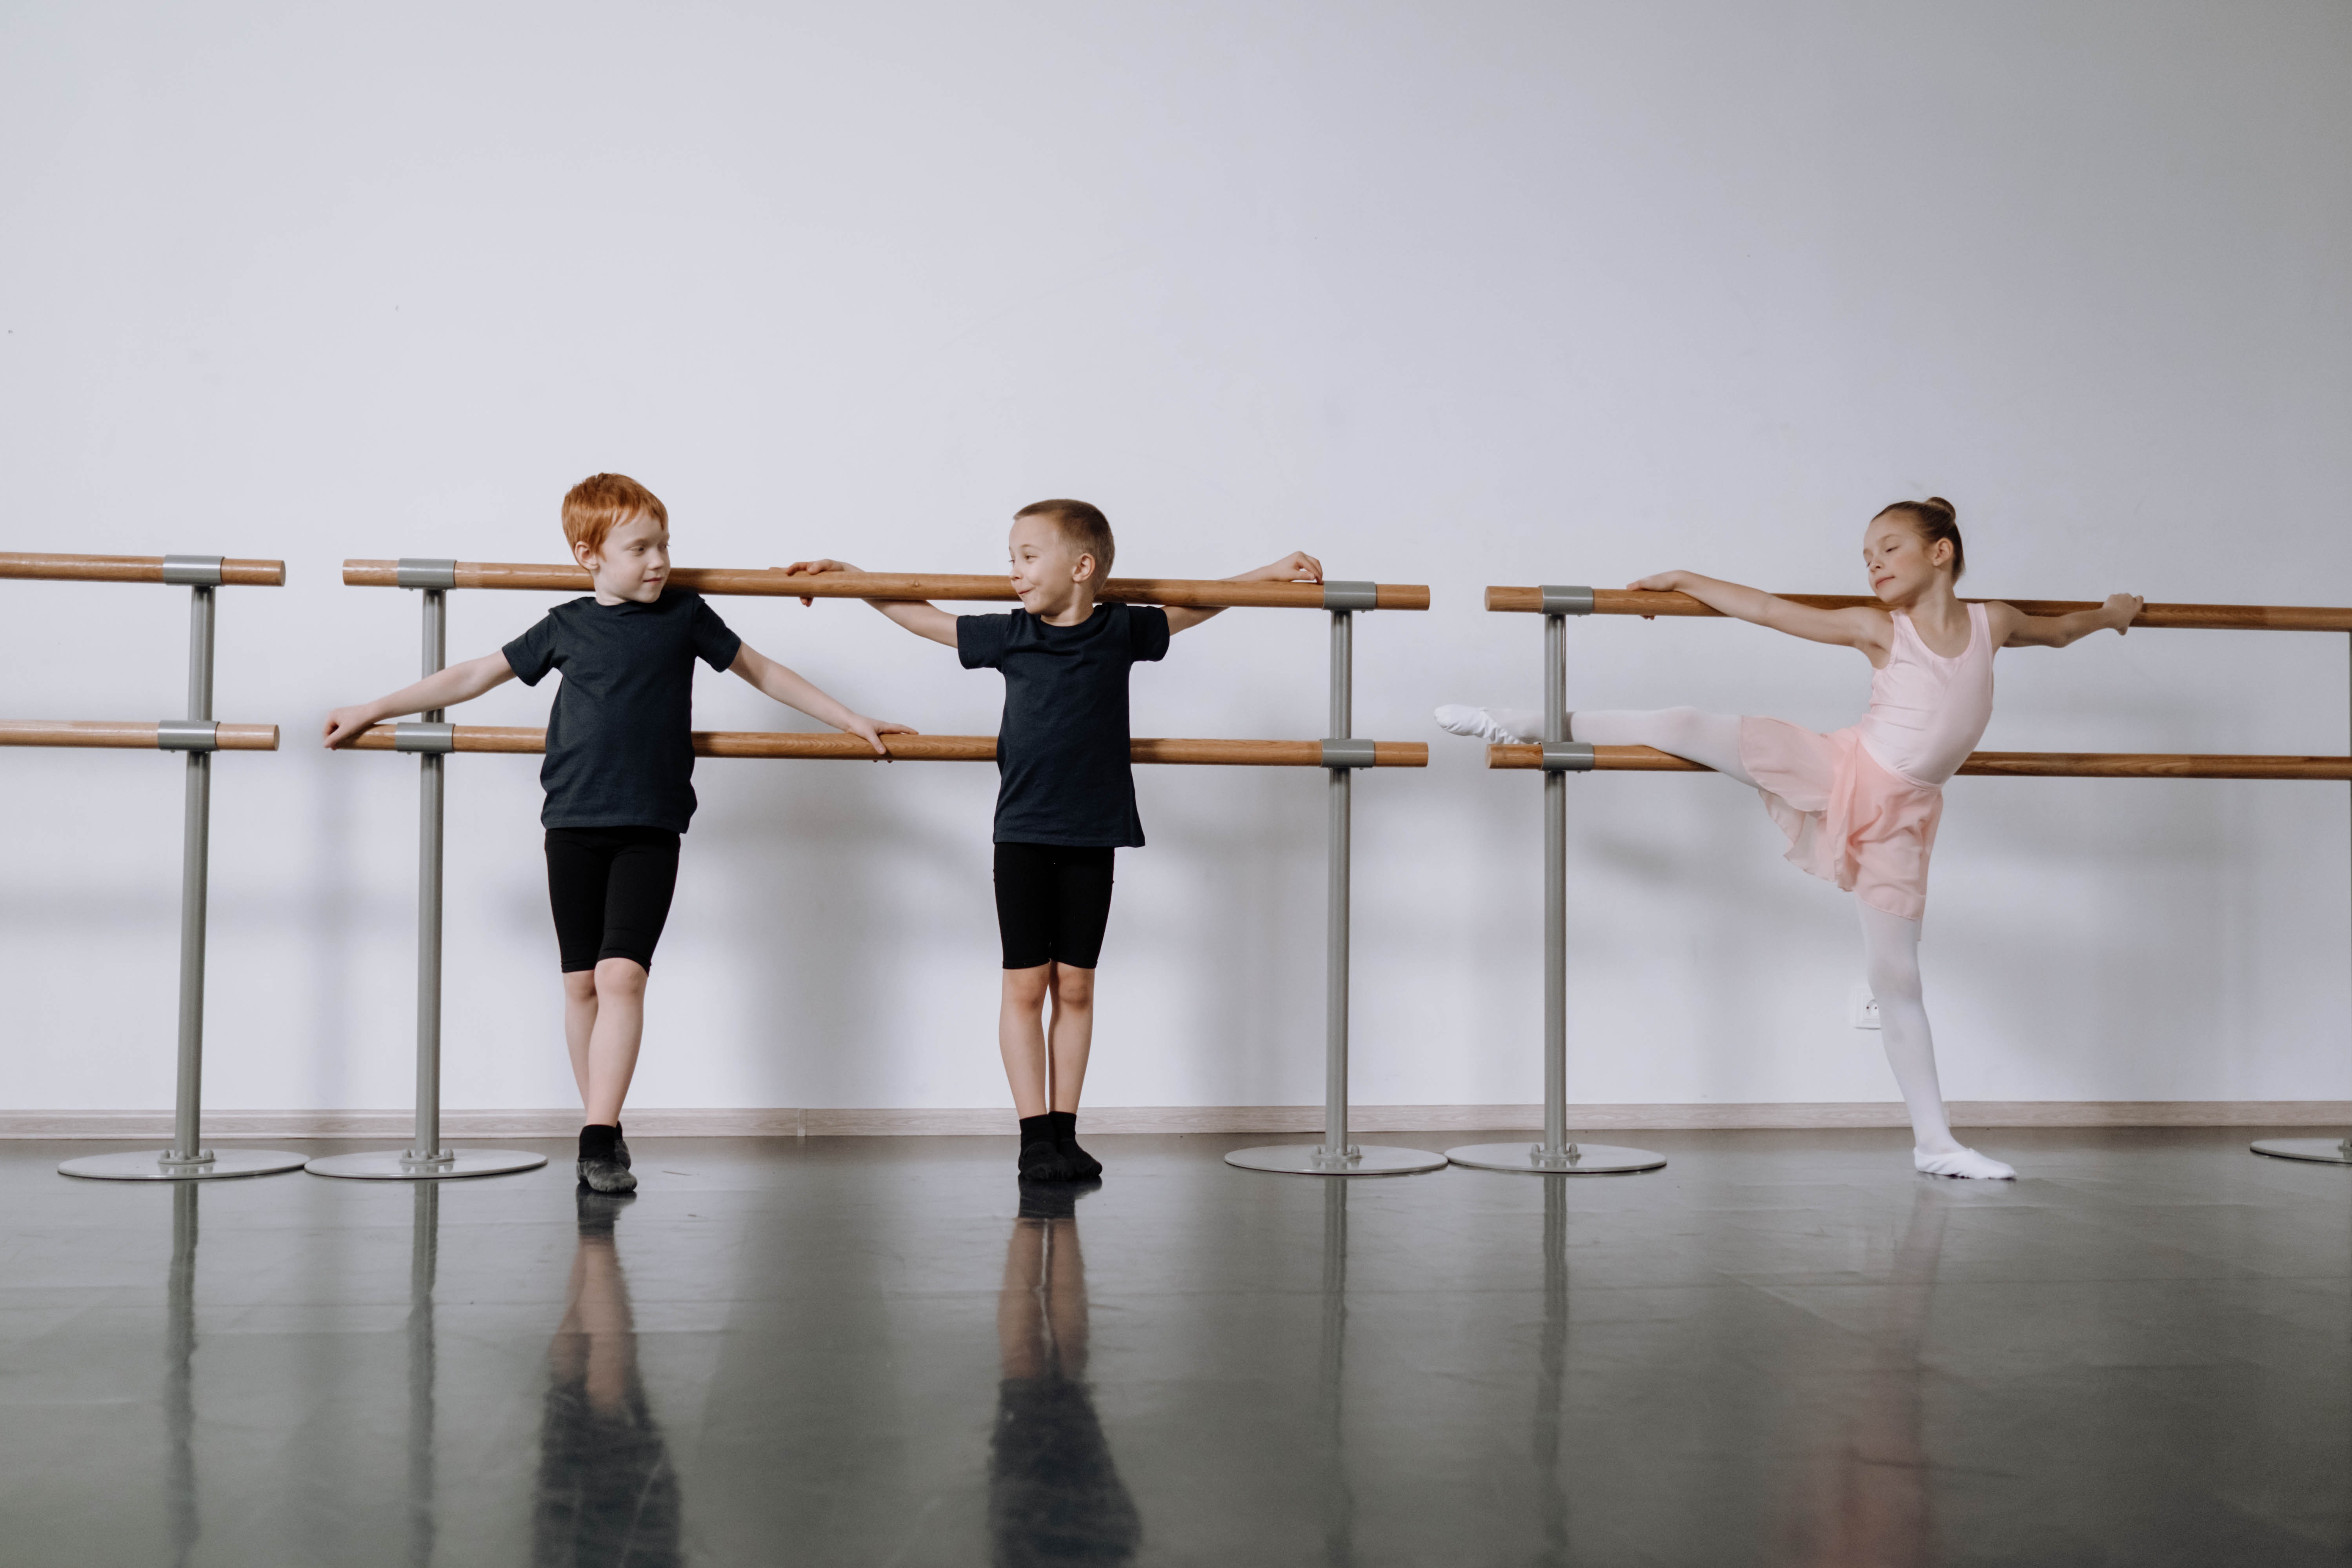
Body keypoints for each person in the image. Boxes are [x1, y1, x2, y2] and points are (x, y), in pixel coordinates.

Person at [1437, 498, 2142, 1180]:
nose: (1873, 567)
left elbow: (2057, 629)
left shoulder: (1995, 622)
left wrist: (2112, 616)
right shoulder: (1879, 630)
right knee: (1685, 724)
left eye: (1886, 550)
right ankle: (1520, 718)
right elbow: (1772, 611)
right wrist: (1684, 579)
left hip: (1905, 816)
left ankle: (1935, 1142)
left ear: (1940, 551)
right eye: (1865, 559)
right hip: (1843, 769)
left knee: (1896, 977)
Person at [326, 473, 913, 1193]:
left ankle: (597, 1137)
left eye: (665, 544)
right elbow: (476, 674)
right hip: (571, 821)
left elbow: (762, 671)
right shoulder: (566, 625)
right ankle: (602, 1124)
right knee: (580, 986)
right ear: (589, 555)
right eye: (641, 548)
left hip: (650, 823)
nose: (660, 560)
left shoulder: (684, 616)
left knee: (621, 974)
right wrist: (376, 706)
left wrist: (850, 718)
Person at [785, 501, 1321, 1182]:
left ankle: (1066, 1132)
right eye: (1010, 557)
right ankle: (1032, 1134)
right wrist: (856, 578)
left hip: (1094, 830)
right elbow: (924, 617)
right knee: (1024, 984)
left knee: (1076, 986)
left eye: (1026, 556)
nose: (1012, 571)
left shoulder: (1122, 629)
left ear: (1082, 566)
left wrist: (1272, 574)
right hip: (1023, 833)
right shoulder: (1013, 635)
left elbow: (1199, 605)